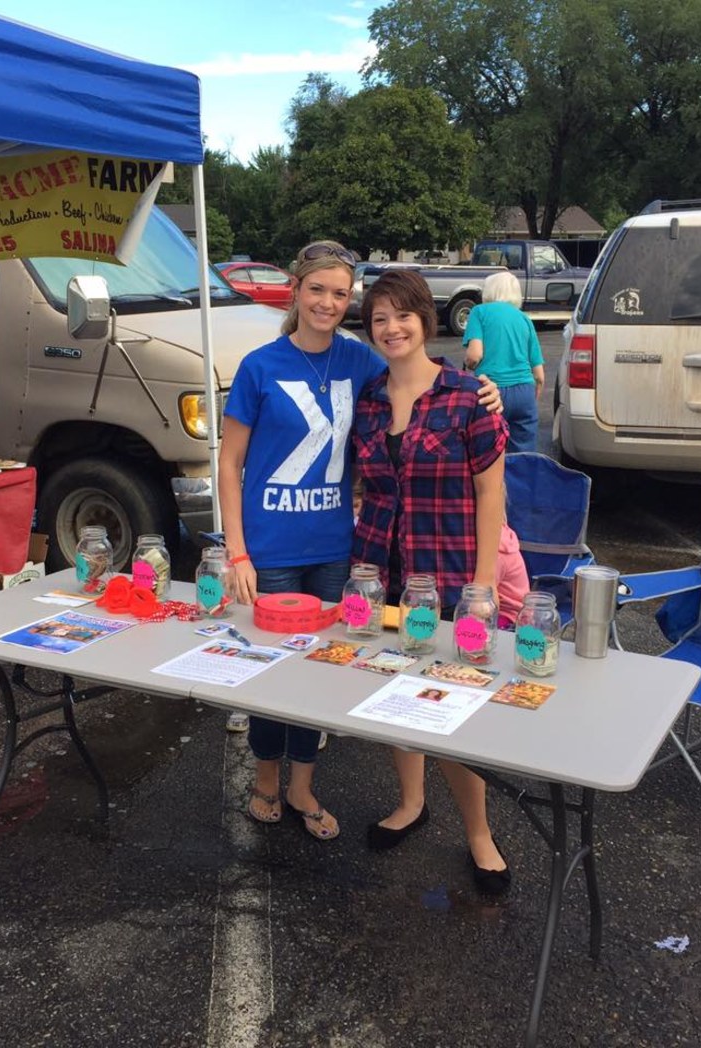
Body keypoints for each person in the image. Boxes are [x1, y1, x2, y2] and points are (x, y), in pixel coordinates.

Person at [219, 240, 504, 841]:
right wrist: (236, 549)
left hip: (346, 557)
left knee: (329, 674)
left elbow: (429, 381)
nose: (329, 302)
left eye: (340, 293)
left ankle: (304, 785)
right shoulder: (264, 367)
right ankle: (269, 781)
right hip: (283, 554)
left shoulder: (365, 366)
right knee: (275, 675)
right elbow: (230, 461)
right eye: (318, 289)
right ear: (294, 290)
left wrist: (486, 389)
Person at [351, 268, 511, 893]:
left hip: (448, 577)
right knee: (397, 694)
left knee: (452, 707)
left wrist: (484, 584)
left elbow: (490, 493)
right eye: (380, 318)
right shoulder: (367, 399)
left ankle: (479, 833)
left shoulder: (468, 396)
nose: (392, 328)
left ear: (426, 320)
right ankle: (412, 804)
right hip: (378, 578)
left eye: (403, 315)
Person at [462, 270, 545, 453]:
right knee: (523, 454)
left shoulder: (479, 312)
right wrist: (532, 394)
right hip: (524, 391)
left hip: (491, 391)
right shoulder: (524, 318)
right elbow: (539, 374)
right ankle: (520, 481)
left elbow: (474, 355)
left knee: (489, 451)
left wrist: (469, 365)